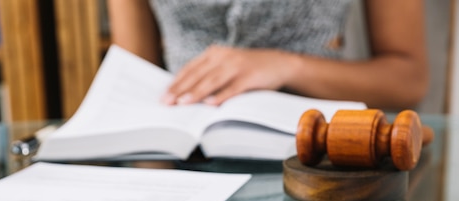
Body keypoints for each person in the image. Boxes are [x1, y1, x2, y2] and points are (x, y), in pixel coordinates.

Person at [106, 0, 429, 111]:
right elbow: (134, 74)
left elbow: (408, 79)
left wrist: (288, 67)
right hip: (182, 163)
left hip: (317, 163)